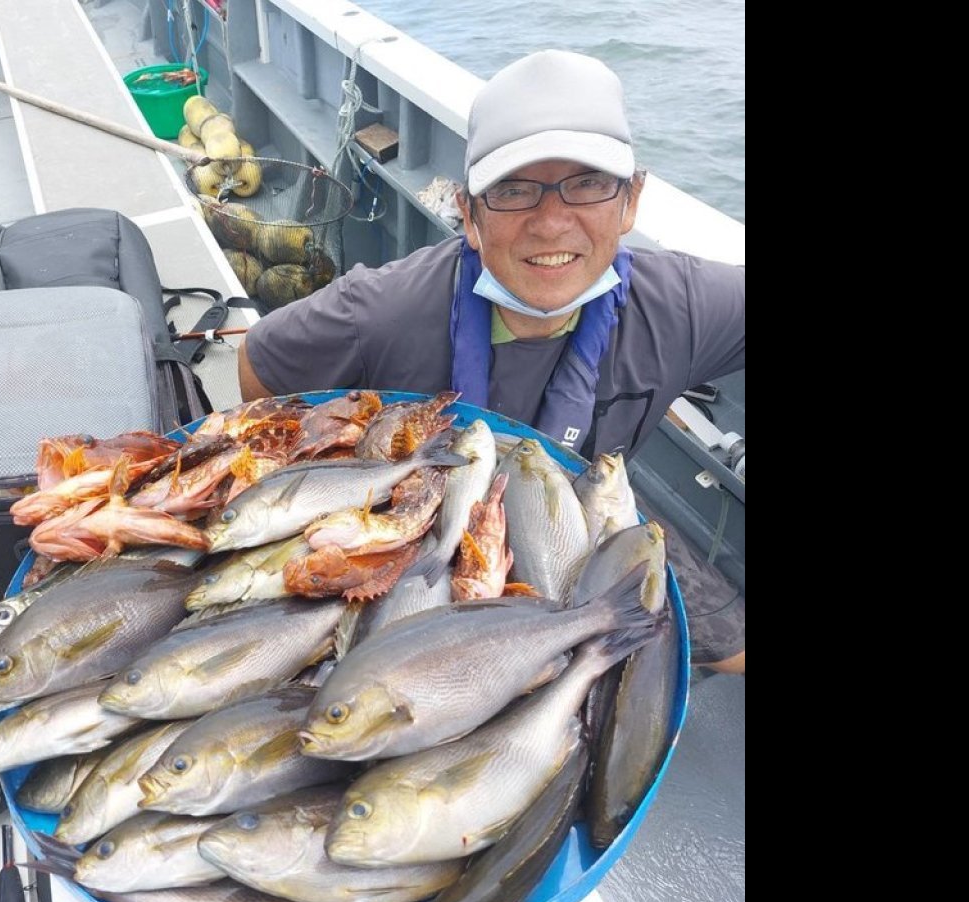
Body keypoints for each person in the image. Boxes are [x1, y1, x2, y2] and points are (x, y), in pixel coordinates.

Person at [237, 49, 744, 674]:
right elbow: (261, 365)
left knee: (733, 652)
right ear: (469, 214)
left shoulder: (684, 307)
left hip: (589, 507)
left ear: (631, 201)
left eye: (588, 184)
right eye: (514, 190)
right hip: (418, 540)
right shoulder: (378, 312)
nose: (552, 222)